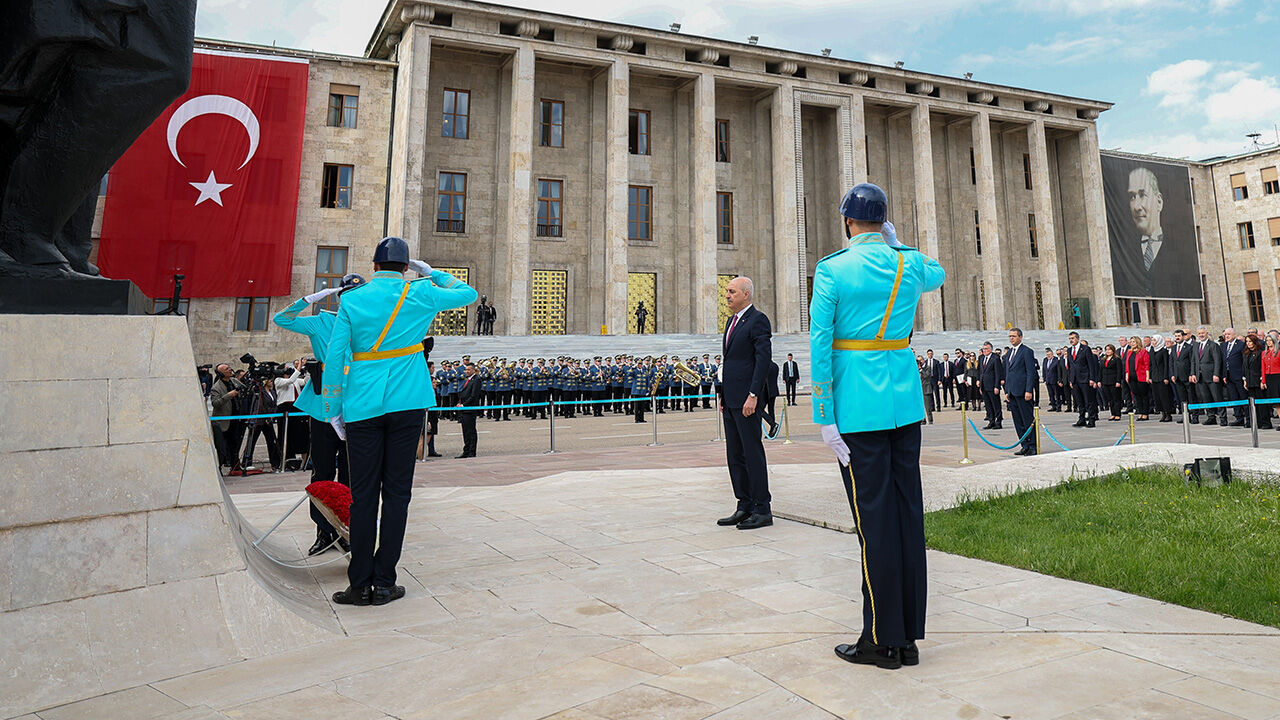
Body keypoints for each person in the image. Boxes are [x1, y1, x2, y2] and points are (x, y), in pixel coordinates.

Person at [811, 182, 945, 670]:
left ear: (848, 221)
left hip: (858, 410)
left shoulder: (832, 269)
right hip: (904, 406)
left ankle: (880, 639)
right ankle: (907, 636)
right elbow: (939, 272)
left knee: (874, 525)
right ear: (883, 221)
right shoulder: (909, 264)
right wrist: (899, 242)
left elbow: (820, 346)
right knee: (907, 516)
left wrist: (824, 415)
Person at [322, 237, 477, 607]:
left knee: (362, 497)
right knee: (397, 494)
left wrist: (332, 407)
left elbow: (335, 355)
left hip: (361, 403)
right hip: (408, 401)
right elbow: (467, 293)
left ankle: (358, 583)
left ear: (374, 267)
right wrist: (434, 273)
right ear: (406, 267)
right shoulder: (422, 293)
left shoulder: (352, 299)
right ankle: (385, 581)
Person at [273, 273, 364, 554]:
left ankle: (348, 532)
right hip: (325, 406)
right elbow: (282, 319)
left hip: (356, 405)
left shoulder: (369, 325)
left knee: (352, 475)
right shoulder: (322, 322)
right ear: (339, 297)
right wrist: (309, 299)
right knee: (322, 473)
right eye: (346, 295)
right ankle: (324, 533)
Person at [716, 276, 773, 531]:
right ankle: (744, 504)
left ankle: (763, 508)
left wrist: (753, 394)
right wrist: (722, 395)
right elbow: (730, 361)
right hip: (730, 399)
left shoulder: (757, 320)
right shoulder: (731, 321)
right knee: (735, 455)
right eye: (727, 291)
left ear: (746, 294)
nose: (727, 295)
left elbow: (762, 361)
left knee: (752, 454)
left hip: (747, 400)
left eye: (731, 291)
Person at [1004, 328, 1038, 456]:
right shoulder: (1009, 353)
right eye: (1010, 336)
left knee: (1028, 420)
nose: (1011, 338)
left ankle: (1033, 445)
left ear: (1020, 337)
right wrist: (1007, 390)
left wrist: (1029, 390)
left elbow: (1031, 372)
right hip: (1012, 392)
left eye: (1014, 336)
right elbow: (1008, 373)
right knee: (1018, 421)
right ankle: (1024, 445)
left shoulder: (1027, 351)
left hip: (1023, 392)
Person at [209, 363, 245, 471]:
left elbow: (244, 389)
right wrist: (229, 395)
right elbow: (215, 403)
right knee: (222, 448)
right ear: (221, 373)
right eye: (226, 369)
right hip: (223, 422)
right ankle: (221, 467)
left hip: (235, 419)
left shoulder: (234, 381)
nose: (230, 369)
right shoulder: (216, 387)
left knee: (235, 444)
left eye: (229, 367)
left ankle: (235, 467)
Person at [1066, 331, 1099, 428]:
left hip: (1085, 378)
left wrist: (1092, 378)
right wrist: (1070, 380)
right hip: (1075, 379)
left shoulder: (1085, 349)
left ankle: (1092, 419)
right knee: (1079, 401)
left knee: (1088, 400)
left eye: (1072, 338)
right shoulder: (1069, 350)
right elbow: (1070, 366)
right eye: (1070, 339)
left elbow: (1091, 365)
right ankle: (1081, 419)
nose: (1071, 340)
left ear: (1077, 338)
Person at [1243, 334, 1270, 429]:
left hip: (1258, 380)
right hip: (1250, 381)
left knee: (1262, 403)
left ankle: (1265, 422)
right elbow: (1245, 368)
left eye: (1250, 341)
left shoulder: (1260, 352)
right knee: (1253, 404)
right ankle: (1256, 422)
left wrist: (1262, 380)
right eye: (1247, 341)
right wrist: (1245, 380)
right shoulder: (1246, 353)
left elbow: (1262, 367)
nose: (1248, 343)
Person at [1221, 328, 1247, 427]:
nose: (1226, 336)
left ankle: (1248, 419)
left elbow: (1244, 361)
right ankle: (1238, 418)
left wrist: (1244, 376)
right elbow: (1224, 361)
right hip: (1228, 376)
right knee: (1234, 398)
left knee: (1243, 397)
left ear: (1234, 335)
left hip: (1238, 375)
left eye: (1229, 334)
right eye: (1225, 334)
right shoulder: (1223, 345)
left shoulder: (1240, 345)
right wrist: (1224, 375)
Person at [455, 361, 482, 456]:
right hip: (464, 409)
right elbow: (464, 394)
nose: (466, 371)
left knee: (471, 431)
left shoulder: (476, 379)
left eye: (468, 369)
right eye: (466, 369)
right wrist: (460, 403)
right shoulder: (468, 379)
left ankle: (471, 451)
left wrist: (464, 405)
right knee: (465, 431)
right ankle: (466, 451)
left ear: (474, 370)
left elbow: (473, 396)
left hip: (470, 409)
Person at [977, 341, 1003, 430]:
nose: (984, 350)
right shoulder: (981, 358)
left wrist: (997, 386)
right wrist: (979, 383)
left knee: (995, 404)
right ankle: (991, 421)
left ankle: (998, 421)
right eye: (983, 349)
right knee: (988, 404)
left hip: (992, 385)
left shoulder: (995, 358)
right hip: (984, 385)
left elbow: (998, 373)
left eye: (986, 349)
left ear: (991, 349)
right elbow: (980, 371)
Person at [1125, 336, 1151, 421]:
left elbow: (1147, 365)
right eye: (1131, 342)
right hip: (1132, 377)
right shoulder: (1129, 352)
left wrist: (1147, 376)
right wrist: (1127, 374)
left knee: (1143, 395)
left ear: (1137, 343)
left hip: (1141, 376)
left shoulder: (1143, 352)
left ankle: (1145, 413)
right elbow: (1127, 365)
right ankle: (1140, 412)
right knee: (1136, 395)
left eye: (1133, 342)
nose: (1132, 343)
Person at [1150, 335, 1174, 423]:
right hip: (1154, 376)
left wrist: (1165, 377)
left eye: (1154, 340)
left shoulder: (1163, 351)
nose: (1153, 342)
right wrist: (1150, 377)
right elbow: (1151, 364)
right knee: (1157, 396)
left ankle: (1168, 413)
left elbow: (1166, 365)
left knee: (1164, 396)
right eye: (1152, 340)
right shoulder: (1152, 350)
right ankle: (1162, 413)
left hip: (1162, 376)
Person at [1100, 344, 1123, 421]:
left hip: (1114, 381)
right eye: (1106, 349)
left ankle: (1117, 414)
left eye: (1109, 349)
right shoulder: (1103, 359)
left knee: (1116, 398)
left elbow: (1119, 371)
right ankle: (1112, 413)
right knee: (1110, 399)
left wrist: (1118, 381)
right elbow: (1101, 371)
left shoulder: (1116, 359)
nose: (1108, 351)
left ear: (1113, 350)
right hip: (1105, 381)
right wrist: (1099, 380)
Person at [1264, 334, 1280, 430]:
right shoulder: (1265, 353)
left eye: (1270, 340)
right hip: (1269, 378)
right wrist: (1264, 381)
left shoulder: (1278, 352)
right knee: (1276, 402)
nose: (1269, 342)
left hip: (1278, 377)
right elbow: (1263, 368)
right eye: (1267, 340)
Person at [1042, 348, 1060, 412]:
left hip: (1054, 380)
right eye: (1047, 355)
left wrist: (1059, 379)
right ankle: (1053, 406)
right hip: (1048, 380)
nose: (1048, 356)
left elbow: (1058, 371)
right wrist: (1044, 379)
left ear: (1052, 354)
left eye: (1049, 354)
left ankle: (1058, 407)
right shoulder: (1045, 360)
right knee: (1050, 394)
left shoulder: (1056, 360)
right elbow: (1044, 370)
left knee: (1057, 394)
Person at [917, 356, 934, 425]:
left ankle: (930, 420)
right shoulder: (916, 368)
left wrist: (921, 369)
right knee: (921, 406)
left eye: (920, 360)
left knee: (928, 407)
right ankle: (923, 419)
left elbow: (927, 375)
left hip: (926, 389)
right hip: (919, 389)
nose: (920, 362)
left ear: (923, 360)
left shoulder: (928, 367)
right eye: (918, 361)